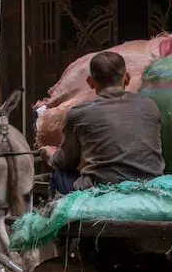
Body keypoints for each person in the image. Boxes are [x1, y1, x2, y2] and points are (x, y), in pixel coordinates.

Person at [49, 50, 164, 193]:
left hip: (103, 188)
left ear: (90, 82)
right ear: (127, 78)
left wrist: (48, 154)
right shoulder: (149, 106)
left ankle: (55, 213)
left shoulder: (79, 113)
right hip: (148, 185)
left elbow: (65, 162)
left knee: (59, 174)